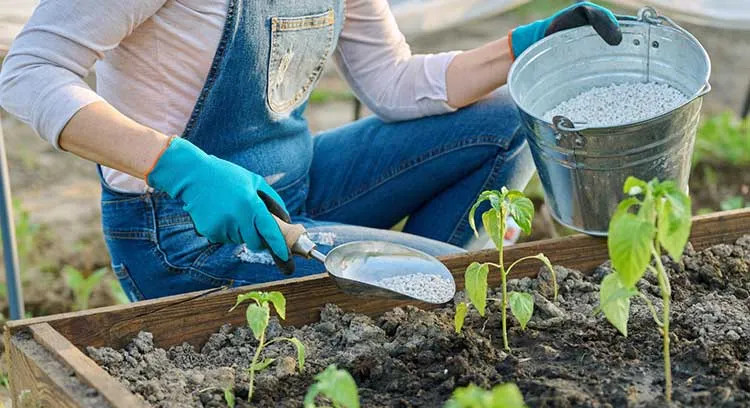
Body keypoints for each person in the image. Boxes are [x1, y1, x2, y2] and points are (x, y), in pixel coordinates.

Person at [0, 0, 621, 301]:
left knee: (506, 118)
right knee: (450, 286)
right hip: (182, 231)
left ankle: (408, 300)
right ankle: (410, 298)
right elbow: (28, 71)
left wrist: (520, 47)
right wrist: (177, 165)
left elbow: (394, 81)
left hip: (296, 186)